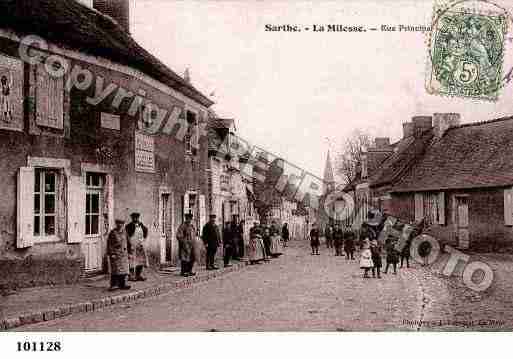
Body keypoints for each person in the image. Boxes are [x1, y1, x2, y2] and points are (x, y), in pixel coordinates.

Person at [107, 219, 131, 290]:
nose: (120, 225)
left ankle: (122, 284)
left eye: (121, 223)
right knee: (115, 270)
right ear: (116, 224)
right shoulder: (113, 233)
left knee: (124, 270)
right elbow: (109, 244)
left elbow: (128, 243)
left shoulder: (124, 232)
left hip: (123, 254)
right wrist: (112, 253)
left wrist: (129, 253)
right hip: (116, 254)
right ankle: (113, 285)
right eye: (118, 223)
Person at [126, 212, 149, 281]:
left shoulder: (141, 225)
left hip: (140, 245)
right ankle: (131, 276)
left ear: (138, 218)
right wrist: (129, 245)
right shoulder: (128, 226)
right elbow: (126, 236)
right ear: (132, 218)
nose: (135, 219)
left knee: (140, 260)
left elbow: (145, 231)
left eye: (137, 217)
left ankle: (138, 275)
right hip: (132, 245)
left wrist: (143, 240)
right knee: (132, 261)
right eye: (134, 218)